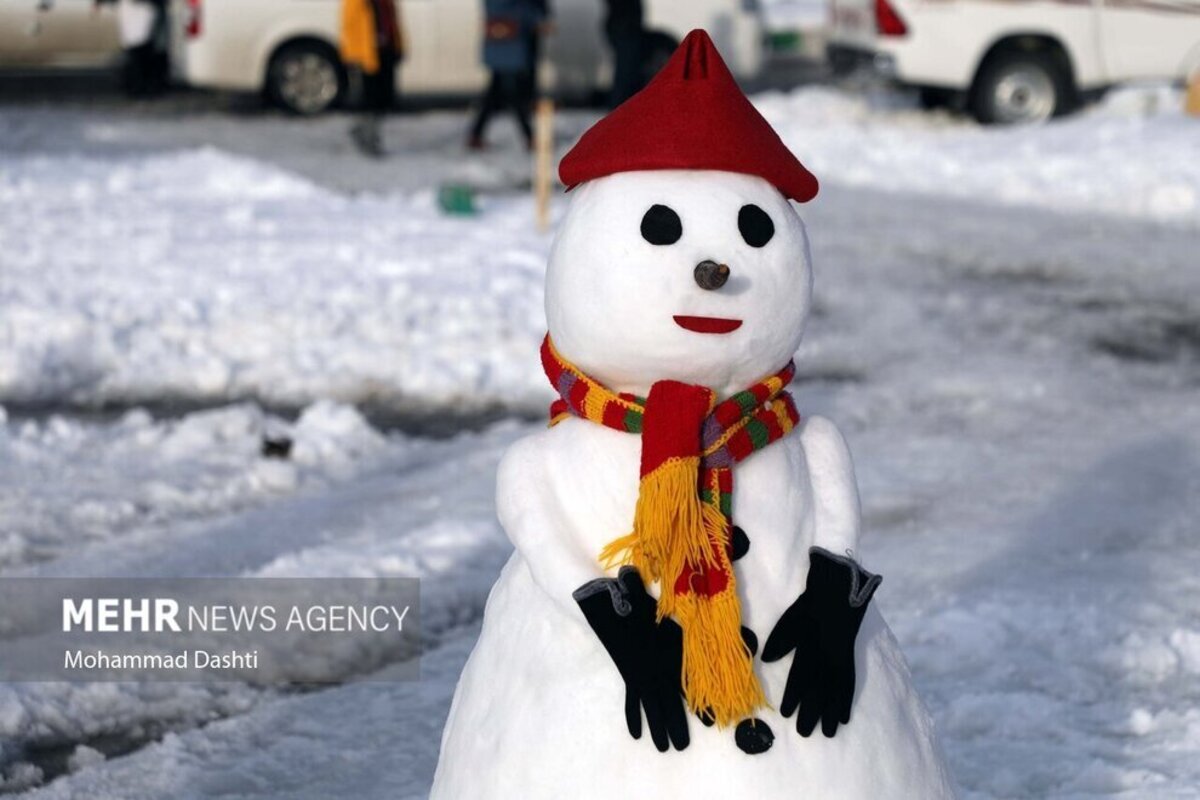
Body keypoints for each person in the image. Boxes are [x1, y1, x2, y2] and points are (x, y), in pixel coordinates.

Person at [467, 0, 546, 151]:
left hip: (501, 45)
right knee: (513, 93)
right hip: (509, 47)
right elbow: (519, 11)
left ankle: (476, 134)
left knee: (494, 91)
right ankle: (529, 136)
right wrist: (537, 18)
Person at [340, 0, 404, 157]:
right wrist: (354, 55)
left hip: (385, 51)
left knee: (385, 97)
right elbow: (350, 25)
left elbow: (392, 22)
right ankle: (368, 137)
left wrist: (398, 46)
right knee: (370, 99)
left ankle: (364, 132)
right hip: (367, 56)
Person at [95, 0, 169, 97]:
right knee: (139, 54)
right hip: (135, 17)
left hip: (143, 15)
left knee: (141, 53)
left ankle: (141, 86)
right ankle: (140, 86)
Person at [604, 0, 643, 107]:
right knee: (624, 72)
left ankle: (620, 105)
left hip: (624, 26)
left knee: (626, 71)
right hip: (624, 26)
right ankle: (619, 106)